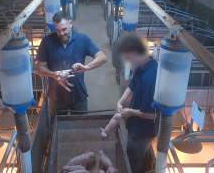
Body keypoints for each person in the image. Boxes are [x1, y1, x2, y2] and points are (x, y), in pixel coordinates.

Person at [101, 33, 158, 173]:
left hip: (144, 130)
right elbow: (132, 87)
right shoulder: (142, 66)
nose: (128, 62)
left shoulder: (150, 79)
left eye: (128, 58)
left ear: (135, 53)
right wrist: (120, 101)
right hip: (135, 123)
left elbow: (153, 115)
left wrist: (130, 112)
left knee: (134, 155)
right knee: (131, 149)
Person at [36, 11, 107, 116]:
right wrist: (54, 74)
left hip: (78, 94)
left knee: (80, 126)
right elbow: (40, 68)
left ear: (70, 23)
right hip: (56, 97)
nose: (61, 33)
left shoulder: (82, 39)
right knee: (57, 127)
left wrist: (86, 67)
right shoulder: (47, 41)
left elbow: (102, 57)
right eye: (58, 30)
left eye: (64, 29)